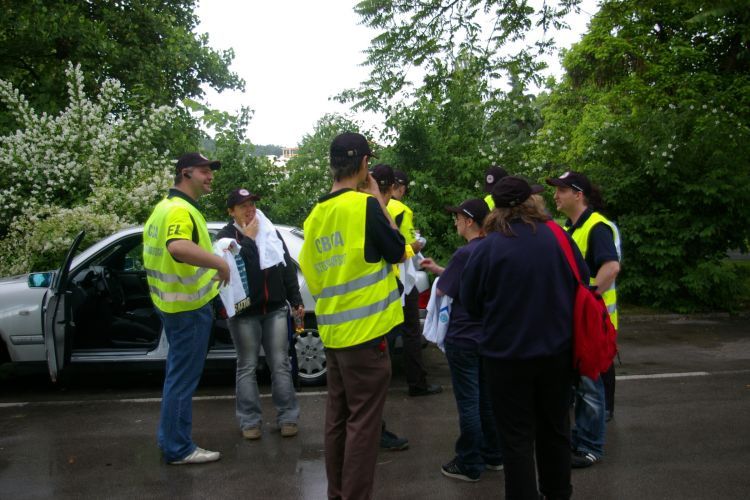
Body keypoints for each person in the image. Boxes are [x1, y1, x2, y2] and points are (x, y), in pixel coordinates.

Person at [460, 176, 589, 500]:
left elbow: (471, 303)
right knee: (555, 430)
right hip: (556, 354)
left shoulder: (488, 246)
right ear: (533, 202)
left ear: (497, 209)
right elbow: (583, 281)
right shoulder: (558, 237)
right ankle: (558, 494)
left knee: (515, 440)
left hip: (506, 359)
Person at [299, 132, 407, 499]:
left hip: (333, 335)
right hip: (368, 335)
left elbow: (312, 278)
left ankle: (337, 493)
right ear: (364, 165)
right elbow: (397, 252)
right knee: (364, 423)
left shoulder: (314, 217)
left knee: (338, 420)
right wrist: (377, 197)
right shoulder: (366, 207)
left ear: (332, 165)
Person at [142, 152, 230, 465]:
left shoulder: (163, 208)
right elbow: (177, 247)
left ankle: (171, 441)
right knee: (181, 379)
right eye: (204, 171)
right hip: (188, 308)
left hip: (171, 305)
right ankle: (178, 448)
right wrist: (219, 262)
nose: (210, 176)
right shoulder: (180, 210)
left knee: (176, 377)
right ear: (185, 173)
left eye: (211, 170)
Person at [420, 199, 503, 482]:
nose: (454, 222)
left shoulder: (465, 253)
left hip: (463, 338)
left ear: (469, 221)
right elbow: (464, 280)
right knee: (487, 400)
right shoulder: (492, 248)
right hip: (488, 337)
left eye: (457, 217)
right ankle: (494, 455)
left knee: (468, 403)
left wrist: (440, 275)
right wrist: (439, 269)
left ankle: (469, 462)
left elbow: (445, 289)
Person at [546, 170, 621, 468]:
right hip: (577, 321)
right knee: (581, 386)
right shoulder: (572, 226)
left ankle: (591, 448)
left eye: (561, 190)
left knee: (590, 388)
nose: (555, 196)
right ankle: (581, 439)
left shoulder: (597, 227)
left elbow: (611, 268)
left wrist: (587, 299)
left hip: (592, 322)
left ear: (578, 194)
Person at [216, 188, 303, 440]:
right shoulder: (225, 239)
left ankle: (288, 418)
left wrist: (295, 298)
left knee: (280, 363)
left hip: (274, 308)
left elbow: (285, 267)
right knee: (247, 366)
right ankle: (250, 422)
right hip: (244, 313)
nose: (250, 209)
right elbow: (244, 264)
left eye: (252, 203)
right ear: (231, 211)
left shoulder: (269, 231)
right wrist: (249, 239)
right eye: (242, 205)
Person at [388, 169, 442, 397]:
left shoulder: (372, 206)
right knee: (410, 332)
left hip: (383, 281)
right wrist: (417, 243)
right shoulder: (401, 209)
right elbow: (411, 244)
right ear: (399, 188)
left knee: (387, 333)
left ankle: (381, 383)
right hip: (403, 280)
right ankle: (417, 383)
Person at [369, 164, 411, 452]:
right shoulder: (371, 210)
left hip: (339, 323)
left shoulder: (325, 211)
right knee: (373, 385)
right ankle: (374, 435)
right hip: (372, 317)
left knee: (348, 395)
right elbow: (399, 248)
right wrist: (380, 207)